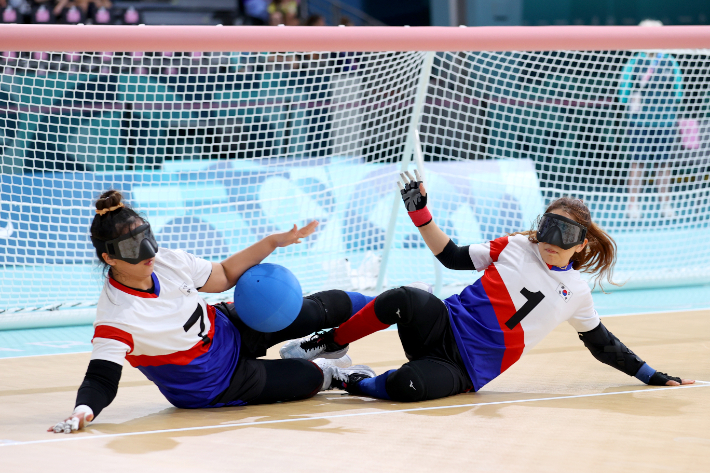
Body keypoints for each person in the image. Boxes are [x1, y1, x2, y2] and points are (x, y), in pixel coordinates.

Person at [280, 170, 694, 402]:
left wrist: (651, 375)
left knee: (409, 388)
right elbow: (452, 257)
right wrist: (422, 215)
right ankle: (331, 342)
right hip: (443, 324)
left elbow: (603, 344)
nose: (551, 241)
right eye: (547, 228)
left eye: (564, 235)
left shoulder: (578, 295)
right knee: (405, 298)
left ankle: (346, 380)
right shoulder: (514, 246)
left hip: (465, 369)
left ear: (582, 244)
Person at [49, 190, 374, 434]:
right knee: (308, 379)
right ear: (110, 258)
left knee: (323, 308)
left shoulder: (167, 261)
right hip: (214, 382)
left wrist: (273, 242)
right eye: (133, 247)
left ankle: (384, 302)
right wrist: (83, 410)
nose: (149, 251)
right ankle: (330, 371)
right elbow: (101, 378)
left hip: (228, 327)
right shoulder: (117, 317)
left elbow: (224, 275)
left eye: (146, 236)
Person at [620, 20, 683, 219]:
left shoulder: (670, 61)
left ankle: (666, 205)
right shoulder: (634, 61)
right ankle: (633, 206)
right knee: (637, 164)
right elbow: (623, 93)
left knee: (664, 164)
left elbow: (679, 93)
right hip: (639, 123)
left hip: (665, 122)